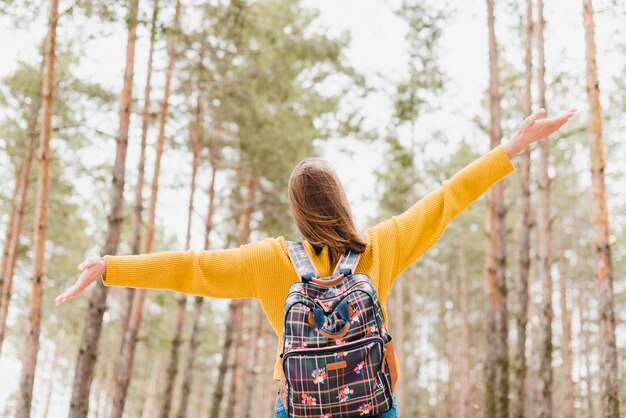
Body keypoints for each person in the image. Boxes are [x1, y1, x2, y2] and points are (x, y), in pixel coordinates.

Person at [56, 107, 577, 417]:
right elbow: (447, 199)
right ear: (340, 201)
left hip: (300, 405)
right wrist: (511, 146)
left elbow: (190, 266)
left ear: (296, 210)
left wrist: (110, 265)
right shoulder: (381, 246)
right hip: (371, 402)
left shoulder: (267, 260)